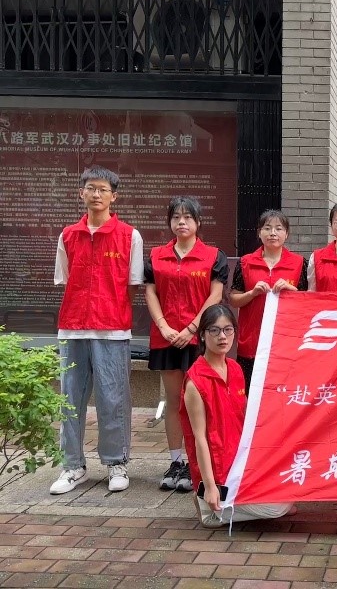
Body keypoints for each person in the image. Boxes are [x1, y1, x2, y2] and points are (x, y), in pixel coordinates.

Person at [50, 166, 143, 495]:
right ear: (81, 193)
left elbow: (133, 284)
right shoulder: (68, 235)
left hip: (112, 329)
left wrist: (111, 310)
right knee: (70, 400)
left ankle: (116, 463)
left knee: (112, 399)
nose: (96, 194)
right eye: (90, 188)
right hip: (72, 328)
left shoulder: (129, 236)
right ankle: (72, 466)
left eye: (103, 189)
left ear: (114, 196)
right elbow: (66, 280)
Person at [180, 305, 296, 528]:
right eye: (214, 330)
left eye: (228, 329)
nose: (222, 336)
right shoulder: (195, 382)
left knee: (291, 484)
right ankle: (209, 506)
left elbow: (246, 419)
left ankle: (225, 505)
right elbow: (199, 439)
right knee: (278, 508)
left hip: (239, 465)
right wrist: (210, 486)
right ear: (202, 335)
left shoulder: (235, 369)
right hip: (219, 472)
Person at [145, 196, 228, 492]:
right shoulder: (156, 256)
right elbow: (150, 293)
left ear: (198, 222)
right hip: (166, 337)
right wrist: (164, 327)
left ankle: (200, 463)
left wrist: (192, 327)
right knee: (173, 400)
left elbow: (215, 295)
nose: (181, 222)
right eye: (176, 217)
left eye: (188, 217)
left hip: (199, 339)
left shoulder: (213, 256)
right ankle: (176, 461)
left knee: (200, 401)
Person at [230, 210, 306, 392]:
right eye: (267, 228)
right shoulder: (245, 263)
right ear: (259, 233)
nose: (273, 233)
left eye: (278, 228)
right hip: (251, 343)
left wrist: (291, 290)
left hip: (286, 343)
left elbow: (307, 302)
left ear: (286, 234)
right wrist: (252, 293)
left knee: (281, 395)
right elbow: (234, 300)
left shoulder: (299, 263)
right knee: (250, 393)